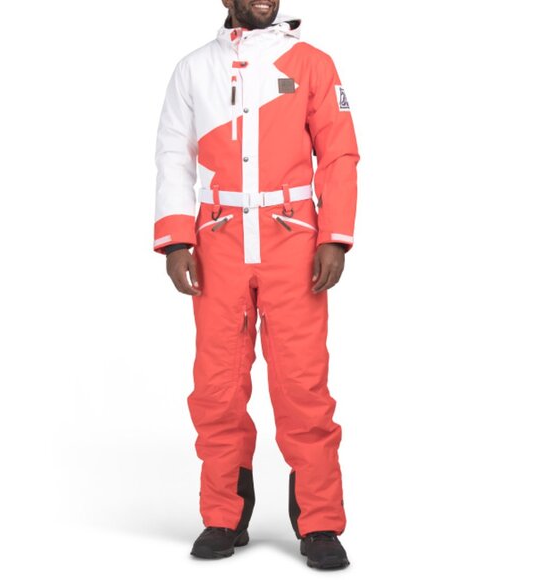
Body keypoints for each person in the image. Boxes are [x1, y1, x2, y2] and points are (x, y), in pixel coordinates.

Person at [153, 0, 360, 569]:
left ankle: (319, 523)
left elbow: (339, 153)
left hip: (293, 240)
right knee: (217, 384)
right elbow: (173, 154)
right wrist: (176, 240)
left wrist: (334, 237)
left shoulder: (312, 63)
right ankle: (224, 515)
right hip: (217, 241)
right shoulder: (194, 68)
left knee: (302, 385)